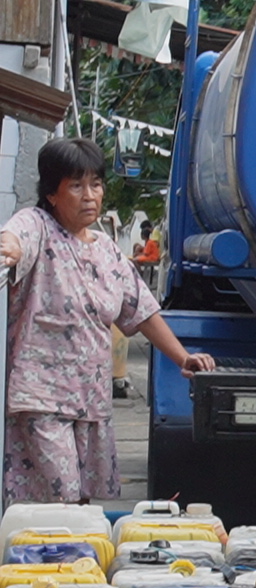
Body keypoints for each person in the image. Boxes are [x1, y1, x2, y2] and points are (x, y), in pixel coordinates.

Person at [0, 138, 215, 503]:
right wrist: (10, 247)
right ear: (52, 193)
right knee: (61, 498)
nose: (89, 196)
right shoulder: (38, 225)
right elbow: (17, 236)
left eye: (95, 184)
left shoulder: (105, 249)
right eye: (76, 186)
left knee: (84, 501)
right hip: (42, 401)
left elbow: (141, 310)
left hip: (91, 401)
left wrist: (183, 358)